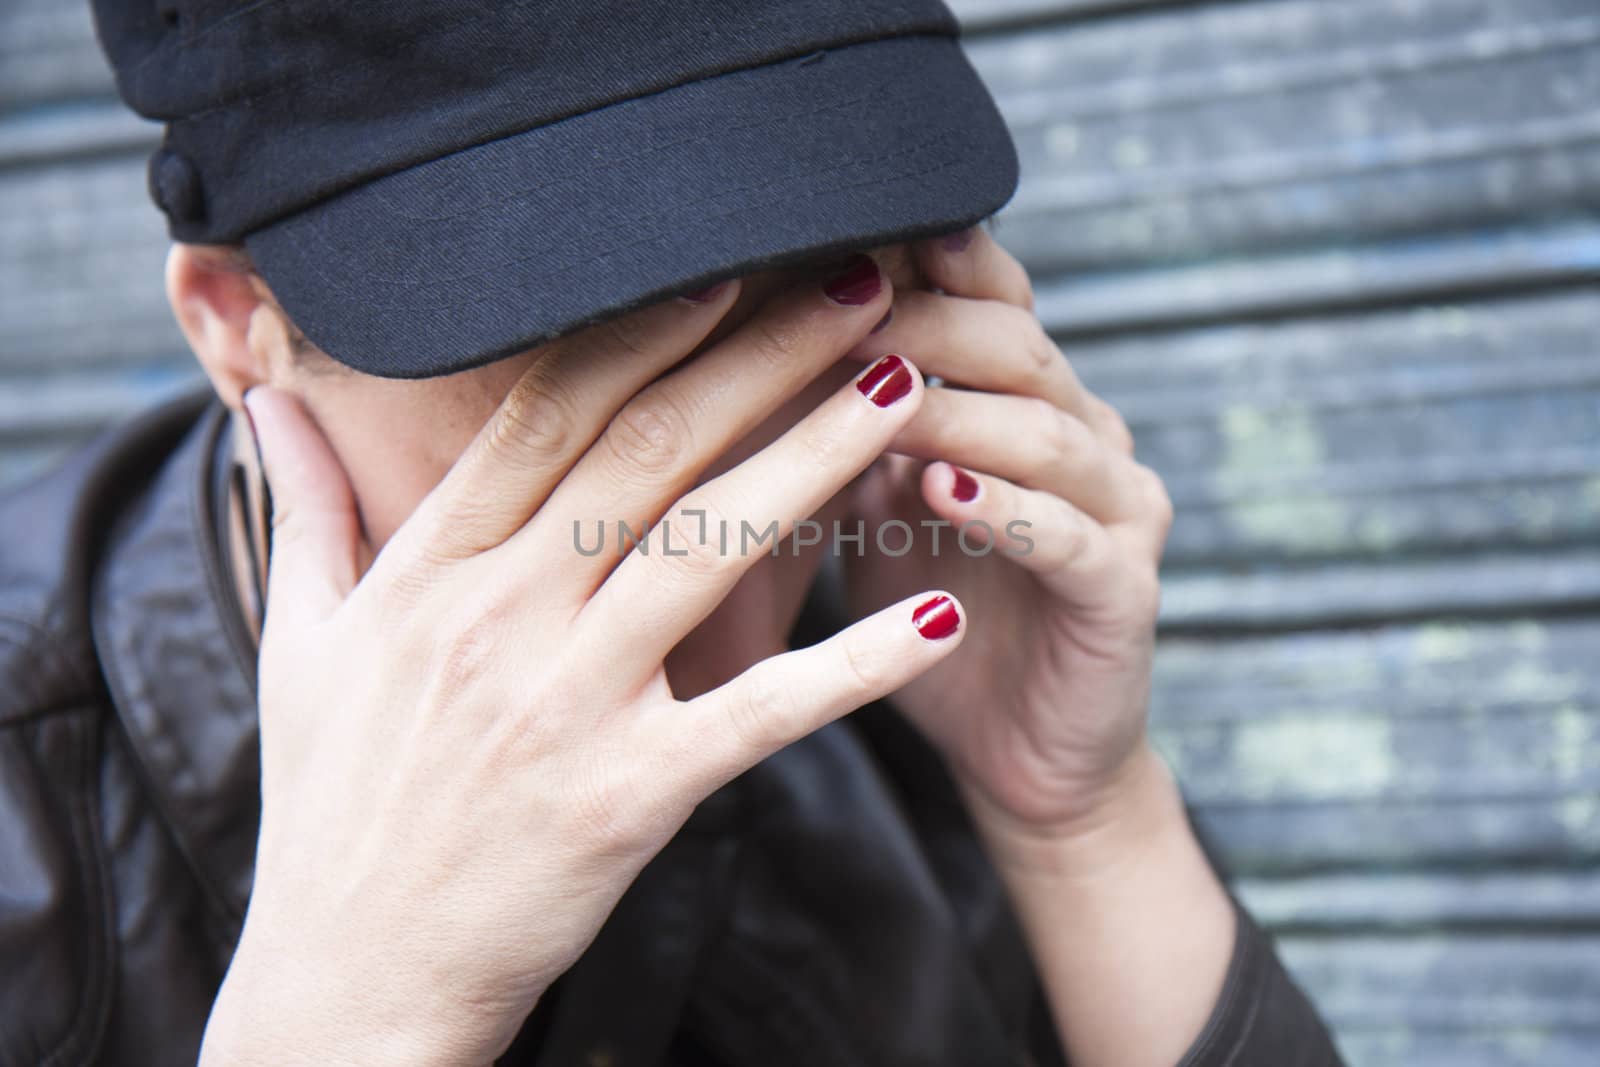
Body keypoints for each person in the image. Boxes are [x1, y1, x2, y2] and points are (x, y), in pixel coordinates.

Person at [0, 1, 1344, 1064]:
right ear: (241, 319)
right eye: (578, 380)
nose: (738, 541)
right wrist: (333, 1023)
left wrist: (1079, 825)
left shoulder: (918, 678)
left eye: (819, 327)